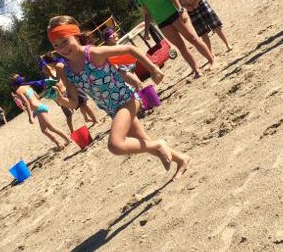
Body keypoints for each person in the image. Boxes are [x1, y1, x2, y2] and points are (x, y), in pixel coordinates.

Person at [47, 15, 190, 181]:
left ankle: (160, 144)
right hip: (112, 109)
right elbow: (74, 102)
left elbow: (130, 50)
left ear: (76, 36)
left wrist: (153, 69)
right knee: (143, 141)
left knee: (115, 145)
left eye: (65, 41)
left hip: (127, 99)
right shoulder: (67, 71)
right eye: (56, 45)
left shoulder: (92, 53)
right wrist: (59, 99)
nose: (62, 48)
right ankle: (181, 159)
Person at [123, 0, 216, 79]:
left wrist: (180, 10)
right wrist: (146, 31)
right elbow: (147, 14)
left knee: (193, 39)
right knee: (181, 47)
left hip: (174, 14)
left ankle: (212, 60)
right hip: (162, 22)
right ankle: (196, 70)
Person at [10, 74, 72, 151]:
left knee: (51, 127)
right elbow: (37, 97)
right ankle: (59, 144)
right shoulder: (28, 86)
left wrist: (30, 117)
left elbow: (27, 103)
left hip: (39, 108)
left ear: (13, 84)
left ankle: (68, 139)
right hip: (39, 107)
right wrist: (34, 112)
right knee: (44, 130)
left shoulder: (18, 91)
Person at [40, 54, 100, 129]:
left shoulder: (58, 66)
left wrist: (49, 74)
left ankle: (96, 120)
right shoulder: (60, 64)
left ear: (48, 63)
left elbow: (57, 80)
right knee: (82, 105)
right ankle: (88, 119)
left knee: (83, 105)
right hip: (72, 86)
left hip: (73, 87)